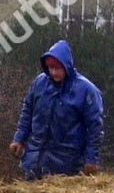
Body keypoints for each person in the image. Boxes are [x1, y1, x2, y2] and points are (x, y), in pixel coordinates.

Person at [9, 40, 104, 180]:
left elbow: (95, 128)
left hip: (67, 166)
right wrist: (19, 138)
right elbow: (27, 112)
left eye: (57, 68)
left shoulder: (86, 91)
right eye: (50, 68)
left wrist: (91, 159)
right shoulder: (39, 83)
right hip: (34, 160)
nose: (53, 72)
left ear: (67, 66)